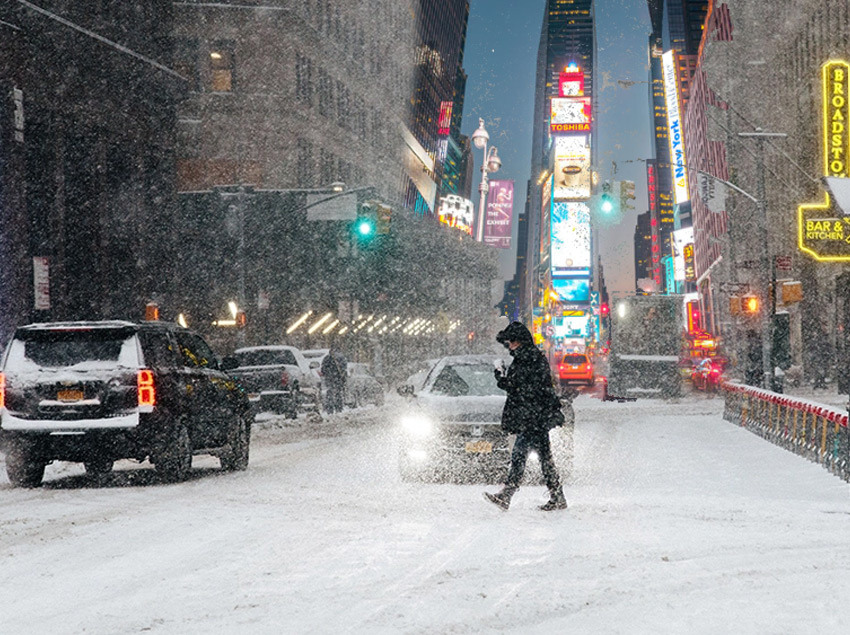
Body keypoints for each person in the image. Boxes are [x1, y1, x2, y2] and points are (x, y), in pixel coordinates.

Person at [485, 321, 568, 512]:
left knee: (520, 455)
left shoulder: (526, 358)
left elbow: (518, 387)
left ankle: (507, 495)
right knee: (545, 459)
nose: (509, 346)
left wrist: (500, 377)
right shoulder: (531, 357)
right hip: (537, 415)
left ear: (519, 341)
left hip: (533, 417)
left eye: (511, 342)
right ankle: (557, 496)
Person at [321, 346, 348, 414]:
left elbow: (323, 369)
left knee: (330, 393)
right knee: (338, 393)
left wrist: (328, 374)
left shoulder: (327, 358)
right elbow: (344, 369)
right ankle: (338, 408)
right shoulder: (341, 358)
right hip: (338, 378)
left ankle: (330, 409)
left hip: (330, 378)